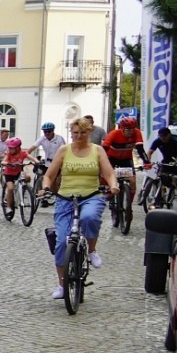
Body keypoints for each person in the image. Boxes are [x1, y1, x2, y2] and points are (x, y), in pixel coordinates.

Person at [40, 117, 119, 299]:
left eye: (83, 132)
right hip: (66, 198)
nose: (79, 136)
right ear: (71, 133)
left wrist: (113, 185)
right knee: (61, 242)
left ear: (89, 132)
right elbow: (49, 175)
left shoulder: (97, 150)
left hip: (91, 195)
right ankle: (62, 285)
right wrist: (45, 188)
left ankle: (91, 250)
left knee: (89, 218)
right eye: (75, 133)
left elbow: (108, 172)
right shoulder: (64, 150)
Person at [102, 115, 145, 219]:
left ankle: (129, 206)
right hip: (111, 158)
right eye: (128, 130)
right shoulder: (114, 134)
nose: (131, 132)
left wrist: (146, 162)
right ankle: (108, 190)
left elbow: (140, 149)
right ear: (122, 129)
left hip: (126, 159)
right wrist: (101, 163)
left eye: (133, 129)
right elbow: (104, 149)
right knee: (105, 174)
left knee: (132, 181)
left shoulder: (137, 133)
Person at [0, 137, 37, 210]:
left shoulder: (23, 153)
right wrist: (6, 163)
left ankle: (24, 190)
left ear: (18, 147)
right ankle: (8, 206)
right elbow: (4, 161)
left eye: (11, 148)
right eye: (9, 148)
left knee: (28, 178)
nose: (10, 149)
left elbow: (31, 157)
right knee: (10, 188)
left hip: (18, 173)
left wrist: (37, 161)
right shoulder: (9, 154)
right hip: (9, 174)